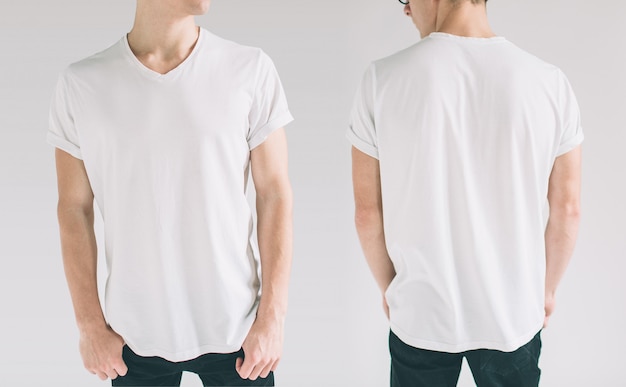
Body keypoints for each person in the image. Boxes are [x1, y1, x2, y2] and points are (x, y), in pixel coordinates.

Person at [47, 0, 293, 385]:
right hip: (131, 340)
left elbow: (275, 194)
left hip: (240, 335)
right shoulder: (82, 83)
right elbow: (73, 208)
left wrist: (272, 319)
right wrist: (89, 325)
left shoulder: (250, 69)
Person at [348, 0, 582, 385]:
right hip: (512, 315)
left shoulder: (381, 80)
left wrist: (392, 289)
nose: (406, 11)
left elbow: (366, 214)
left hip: (421, 313)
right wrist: (545, 291)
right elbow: (568, 210)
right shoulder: (550, 82)